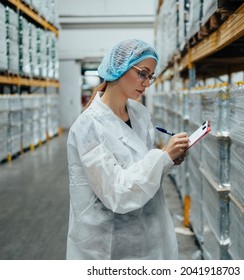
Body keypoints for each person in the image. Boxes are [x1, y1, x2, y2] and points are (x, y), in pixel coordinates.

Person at [66, 39, 189, 260]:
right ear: (119, 69)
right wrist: (162, 158)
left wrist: (169, 160)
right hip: (107, 244)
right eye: (142, 73)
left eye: (150, 76)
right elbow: (117, 193)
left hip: (149, 232)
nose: (146, 83)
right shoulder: (88, 127)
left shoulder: (140, 114)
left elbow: (141, 168)